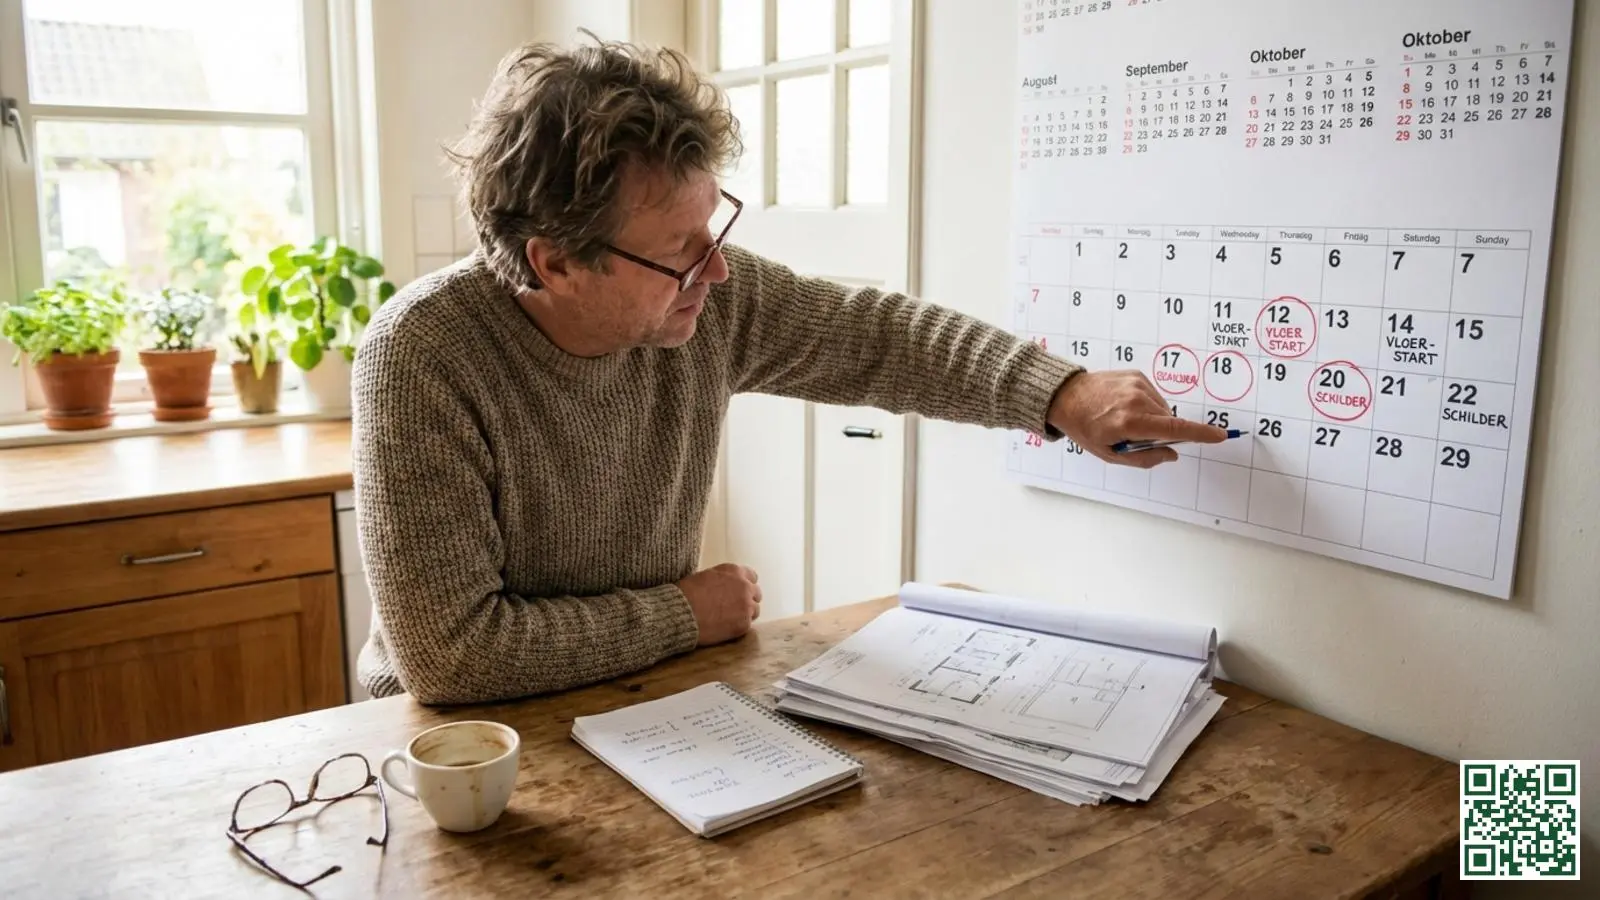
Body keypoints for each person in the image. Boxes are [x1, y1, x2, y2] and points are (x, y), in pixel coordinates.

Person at [350, 34, 1225, 705]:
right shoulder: (422, 354)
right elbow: (454, 656)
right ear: (557, 263)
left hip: (641, 696)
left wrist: (1058, 392)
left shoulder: (705, 304)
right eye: (678, 251)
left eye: (715, 224)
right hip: (449, 747)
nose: (718, 270)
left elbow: (876, 337)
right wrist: (684, 615)